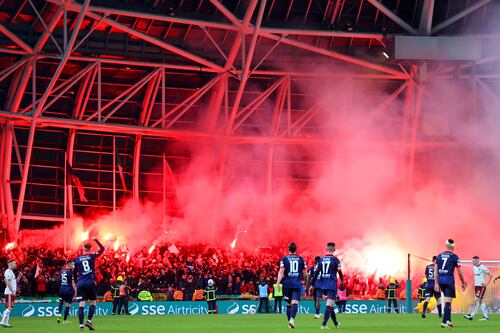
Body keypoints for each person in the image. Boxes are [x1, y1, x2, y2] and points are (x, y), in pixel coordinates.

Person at [310, 242, 343, 330]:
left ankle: (336, 323)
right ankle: (323, 324)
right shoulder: (335, 260)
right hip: (331, 285)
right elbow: (340, 272)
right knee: (329, 304)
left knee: (331, 305)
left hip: (323, 286)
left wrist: (312, 285)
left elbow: (316, 273)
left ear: (326, 249)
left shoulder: (321, 260)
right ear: (334, 250)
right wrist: (342, 281)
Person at [434, 239, 467, 328]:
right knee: (448, 301)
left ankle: (449, 321)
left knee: (448, 300)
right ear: (453, 246)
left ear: (446, 245)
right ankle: (444, 321)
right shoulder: (455, 257)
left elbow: (436, 270)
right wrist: (463, 282)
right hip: (449, 280)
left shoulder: (439, 256)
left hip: (440, 280)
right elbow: (460, 272)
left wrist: (436, 283)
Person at [74, 238, 105, 331]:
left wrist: (76, 282)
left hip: (80, 283)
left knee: (81, 304)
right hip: (90, 282)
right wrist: (96, 240)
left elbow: (74, 272)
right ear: (90, 249)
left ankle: (81, 325)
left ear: (83, 249)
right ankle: (89, 321)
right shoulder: (92, 256)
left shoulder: (77, 259)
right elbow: (102, 249)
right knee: (93, 302)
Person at [276, 242, 308, 329]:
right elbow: (305, 273)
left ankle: (290, 322)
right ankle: (292, 320)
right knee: (295, 303)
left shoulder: (284, 259)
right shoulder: (301, 259)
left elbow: (281, 272)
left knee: (288, 304)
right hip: (297, 284)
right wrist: (306, 282)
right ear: (295, 249)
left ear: (288, 249)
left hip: (287, 285)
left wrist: (278, 283)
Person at [464, 256, 492, 321]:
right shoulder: (474, 267)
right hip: (476, 286)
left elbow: (490, 275)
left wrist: (486, 284)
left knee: (476, 299)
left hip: (481, 286)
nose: (472, 262)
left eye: (473, 261)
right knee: (481, 300)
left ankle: (471, 315)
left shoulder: (483, 267)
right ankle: (486, 317)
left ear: (477, 261)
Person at [1, 260, 20, 328]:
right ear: (10, 264)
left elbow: (14, 282)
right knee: (10, 307)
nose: (15, 264)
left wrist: (19, 277)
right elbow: (8, 281)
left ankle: (6, 322)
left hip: (11, 292)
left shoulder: (11, 272)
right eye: (14, 263)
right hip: (9, 292)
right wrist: (12, 291)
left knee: (9, 307)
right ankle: (3, 321)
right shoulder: (8, 271)